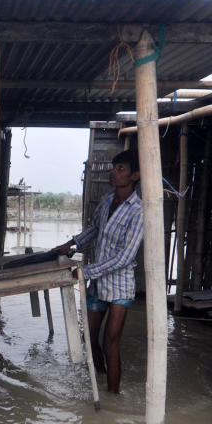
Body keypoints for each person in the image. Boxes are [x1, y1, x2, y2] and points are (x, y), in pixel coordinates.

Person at [52, 149, 143, 394]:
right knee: (89, 340)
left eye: (120, 169)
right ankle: (100, 376)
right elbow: (94, 230)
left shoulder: (139, 211)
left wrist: (87, 271)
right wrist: (71, 243)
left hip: (120, 285)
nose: (114, 173)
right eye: (114, 168)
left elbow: (125, 257)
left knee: (110, 342)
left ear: (135, 175)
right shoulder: (107, 199)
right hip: (97, 282)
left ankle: (113, 395)